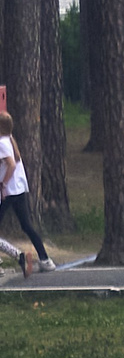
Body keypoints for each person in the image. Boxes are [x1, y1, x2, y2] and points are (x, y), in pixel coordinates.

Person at [0, 110, 54, 275]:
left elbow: (11, 164)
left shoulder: (2, 142)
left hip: (8, 191)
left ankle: (19, 256)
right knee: (27, 225)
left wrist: (3, 184)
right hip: (18, 189)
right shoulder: (10, 139)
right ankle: (45, 259)